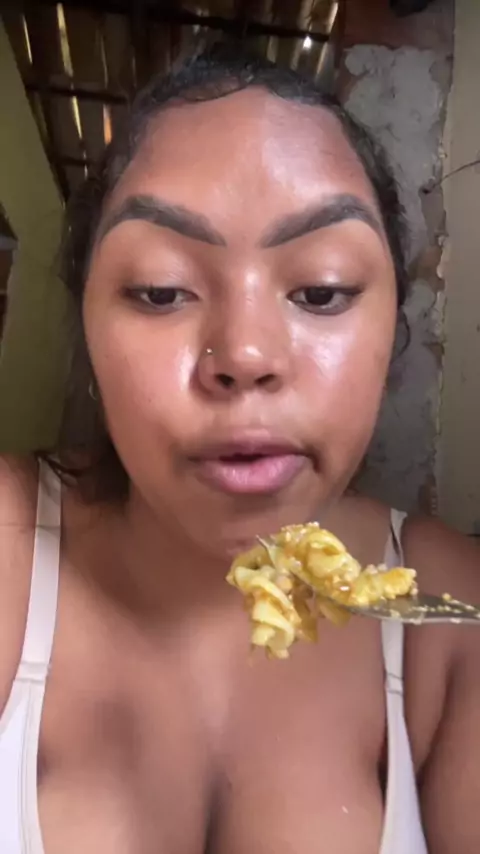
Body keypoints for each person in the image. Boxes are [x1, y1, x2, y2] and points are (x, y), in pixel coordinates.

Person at [0, 48, 479, 854]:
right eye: (161, 291)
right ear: (87, 326)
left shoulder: (449, 618)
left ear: (391, 335)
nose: (247, 353)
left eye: (321, 291)